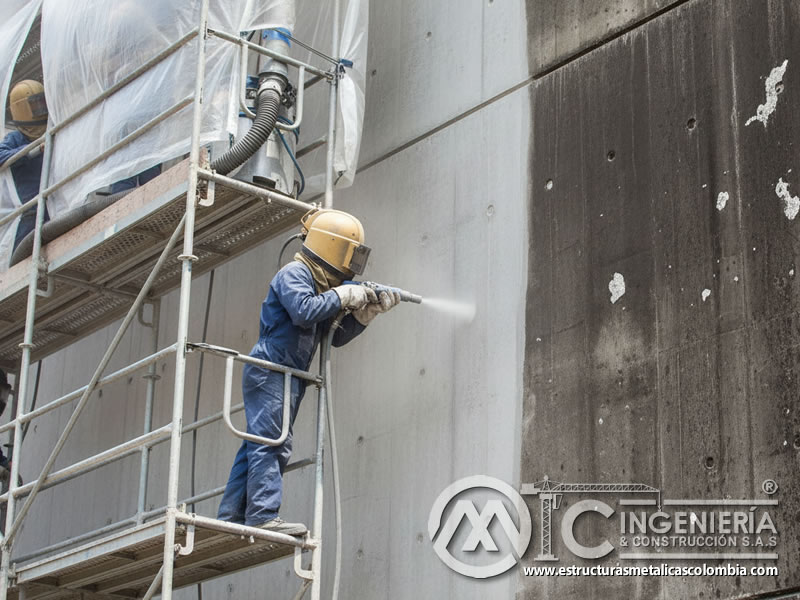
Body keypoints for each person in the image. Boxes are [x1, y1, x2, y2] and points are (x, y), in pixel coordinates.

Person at [217, 209, 400, 535]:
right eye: (350, 256)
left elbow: (334, 337)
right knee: (272, 443)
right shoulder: (295, 274)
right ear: (334, 248)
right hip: (270, 371)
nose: (351, 266)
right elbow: (304, 313)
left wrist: (363, 315)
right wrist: (342, 295)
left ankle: (230, 517)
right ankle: (261, 515)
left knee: (256, 444)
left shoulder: (320, 286)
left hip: (288, 376)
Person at [0, 80, 49, 253]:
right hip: (31, 210)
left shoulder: (51, 127)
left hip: (53, 201)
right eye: (35, 105)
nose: (40, 109)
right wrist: (33, 150)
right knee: (23, 254)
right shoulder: (16, 138)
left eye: (42, 103)